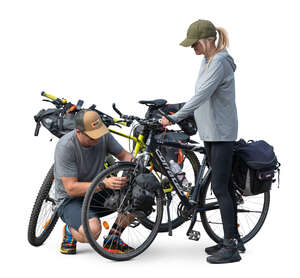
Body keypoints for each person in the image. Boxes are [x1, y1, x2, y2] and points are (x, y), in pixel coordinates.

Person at [160, 19, 245, 264]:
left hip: (221, 134)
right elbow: (199, 96)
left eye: (194, 43)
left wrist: (174, 118)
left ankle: (231, 248)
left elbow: (202, 95)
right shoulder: (206, 60)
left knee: (220, 188)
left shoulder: (219, 61)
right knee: (224, 186)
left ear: (207, 40)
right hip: (210, 133)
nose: (192, 48)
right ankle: (234, 238)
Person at [54, 109, 135, 254]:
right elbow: (71, 188)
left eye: (99, 134)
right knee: (93, 230)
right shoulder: (66, 146)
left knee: (139, 196)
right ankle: (70, 229)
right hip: (70, 199)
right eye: (92, 137)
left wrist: (139, 167)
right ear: (78, 132)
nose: (97, 139)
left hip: (97, 192)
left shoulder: (102, 135)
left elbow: (124, 155)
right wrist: (104, 183)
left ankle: (113, 239)